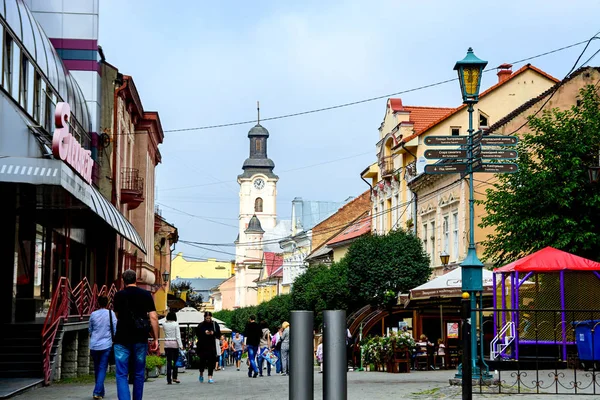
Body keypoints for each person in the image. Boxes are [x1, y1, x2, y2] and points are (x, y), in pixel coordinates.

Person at [113, 269, 159, 400]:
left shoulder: (118, 295)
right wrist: (155, 338)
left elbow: (116, 315)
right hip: (140, 338)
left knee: (121, 373)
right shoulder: (146, 294)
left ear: (123, 280)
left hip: (122, 338)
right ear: (136, 280)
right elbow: (153, 317)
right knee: (139, 373)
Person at [89, 295, 117, 399]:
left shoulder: (93, 314)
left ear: (98, 303)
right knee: (102, 368)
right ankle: (97, 392)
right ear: (107, 303)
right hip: (106, 344)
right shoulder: (111, 314)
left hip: (94, 344)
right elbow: (115, 329)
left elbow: (90, 329)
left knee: (97, 368)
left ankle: (101, 392)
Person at [196, 311, 221, 383]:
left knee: (211, 362)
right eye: (207, 318)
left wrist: (213, 333)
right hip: (202, 346)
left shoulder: (214, 324)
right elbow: (197, 334)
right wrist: (204, 332)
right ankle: (201, 373)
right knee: (202, 362)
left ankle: (210, 377)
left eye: (209, 318)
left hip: (211, 346)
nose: (208, 319)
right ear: (204, 318)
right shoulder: (201, 325)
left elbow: (218, 334)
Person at [163, 311, 183, 384]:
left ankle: (168, 379)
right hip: (174, 344)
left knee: (168, 361)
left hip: (167, 344)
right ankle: (175, 377)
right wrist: (180, 345)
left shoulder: (164, 324)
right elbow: (178, 336)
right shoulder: (176, 324)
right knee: (175, 361)